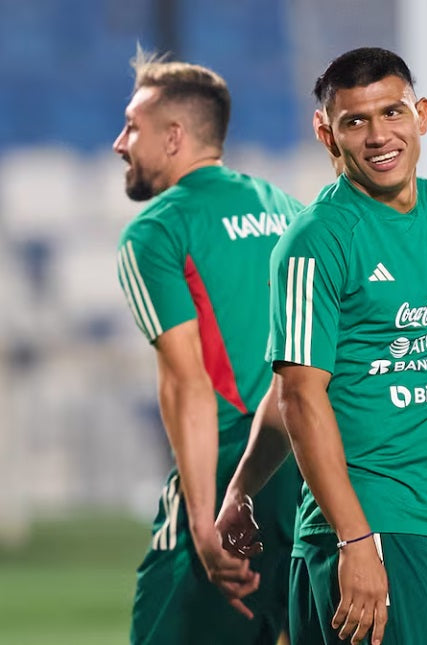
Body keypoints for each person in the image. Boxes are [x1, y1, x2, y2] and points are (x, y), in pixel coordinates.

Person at [217, 47, 427, 645]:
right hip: (364, 532)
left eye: (393, 113)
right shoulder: (315, 242)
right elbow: (297, 399)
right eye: (356, 121)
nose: (380, 135)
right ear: (327, 133)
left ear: (421, 115)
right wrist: (350, 538)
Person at [112, 49, 302, 644]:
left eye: (132, 127)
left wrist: (200, 517)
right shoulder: (289, 211)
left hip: (231, 469)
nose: (120, 143)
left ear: (173, 137)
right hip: (315, 472)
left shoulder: (159, 229)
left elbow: (186, 381)